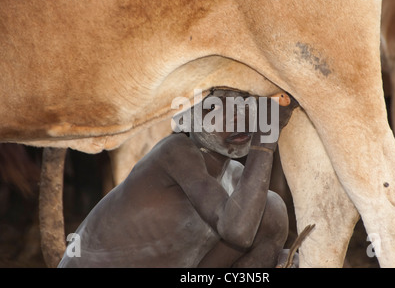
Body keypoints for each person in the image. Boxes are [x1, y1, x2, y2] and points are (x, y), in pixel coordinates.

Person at [58, 89, 299, 267]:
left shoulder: (234, 178)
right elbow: (239, 233)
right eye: (213, 108)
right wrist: (266, 137)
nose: (237, 117)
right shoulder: (175, 152)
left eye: (245, 101)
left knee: (271, 213)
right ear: (184, 118)